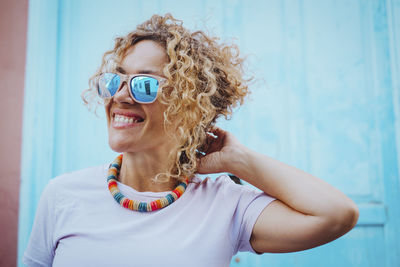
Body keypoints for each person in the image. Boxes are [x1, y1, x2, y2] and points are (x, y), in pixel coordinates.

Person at [22, 13, 359, 267]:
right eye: (116, 80)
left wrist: (239, 160)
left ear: (187, 107)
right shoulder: (62, 195)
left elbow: (336, 215)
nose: (121, 96)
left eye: (145, 84)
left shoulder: (226, 205)